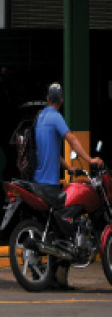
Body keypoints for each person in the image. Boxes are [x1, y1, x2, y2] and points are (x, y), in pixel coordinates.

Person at [34, 83, 103, 236]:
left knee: (54, 223)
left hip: (37, 182)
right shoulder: (56, 117)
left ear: (47, 99)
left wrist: (67, 167)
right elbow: (71, 139)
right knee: (68, 218)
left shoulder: (40, 117)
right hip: (50, 184)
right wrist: (90, 159)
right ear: (62, 101)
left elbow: (49, 150)